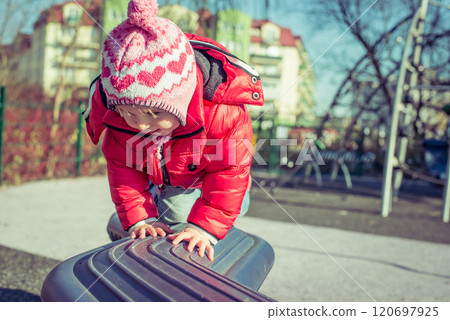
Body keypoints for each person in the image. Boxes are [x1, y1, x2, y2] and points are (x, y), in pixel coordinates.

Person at [85, 0, 264, 261]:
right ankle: (150, 213)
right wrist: (141, 220)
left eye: (155, 113)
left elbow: (229, 171)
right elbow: (122, 169)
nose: (141, 125)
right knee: (173, 219)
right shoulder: (119, 117)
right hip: (171, 174)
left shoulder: (222, 113)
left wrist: (203, 229)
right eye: (130, 114)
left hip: (208, 167)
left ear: (180, 99)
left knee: (222, 208)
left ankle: (178, 213)